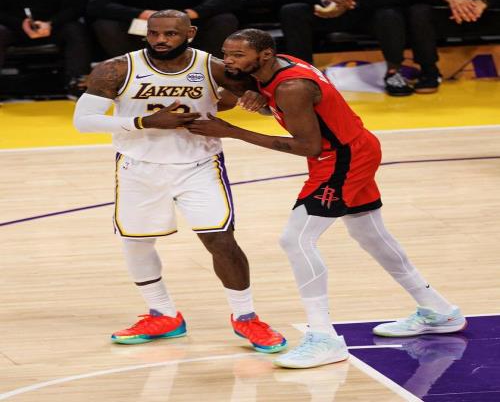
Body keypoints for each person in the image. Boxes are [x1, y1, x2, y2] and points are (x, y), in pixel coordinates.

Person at [186, 28, 467, 369]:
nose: (228, 61)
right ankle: (438, 310)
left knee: (295, 240)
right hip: (352, 147)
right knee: (369, 234)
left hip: (341, 158)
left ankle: (324, 338)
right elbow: (290, 112)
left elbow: (308, 145)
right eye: (226, 54)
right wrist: (261, 104)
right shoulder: (276, 68)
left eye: (237, 55)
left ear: (264, 55)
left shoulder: (292, 87)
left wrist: (232, 132)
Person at [73, 10, 286, 352]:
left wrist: (257, 100)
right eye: (154, 33)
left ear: (190, 33)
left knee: (220, 240)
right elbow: (84, 121)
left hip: (199, 165)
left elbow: (260, 101)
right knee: (137, 243)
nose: (160, 40)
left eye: (170, 34)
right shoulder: (118, 68)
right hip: (139, 166)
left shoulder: (213, 67)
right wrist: (145, 122)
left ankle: (246, 318)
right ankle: (163, 314)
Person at [279, 0, 413, 96]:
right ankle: (304, 75)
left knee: (390, 15)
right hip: (330, 13)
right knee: (292, 12)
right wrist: (325, 1)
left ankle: (394, 72)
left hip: (368, 13)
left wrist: (355, 4)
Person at [86, 0, 240, 58]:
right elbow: (96, 4)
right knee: (105, 24)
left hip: (187, 23)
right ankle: (131, 69)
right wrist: (143, 14)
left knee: (225, 19)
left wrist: (193, 13)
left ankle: (207, 68)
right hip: (143, 26)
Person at [0, 0, 92, 97]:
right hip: (13, 28)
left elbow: (77, 7)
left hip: (55, 27)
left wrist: (51, 23)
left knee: (75, 29)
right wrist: (20, 24)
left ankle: (78, 84)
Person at [408, 0, 500, 93]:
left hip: (484, 12)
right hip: (445, 12)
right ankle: (429, 72)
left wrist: (485, 2)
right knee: (418, 11)